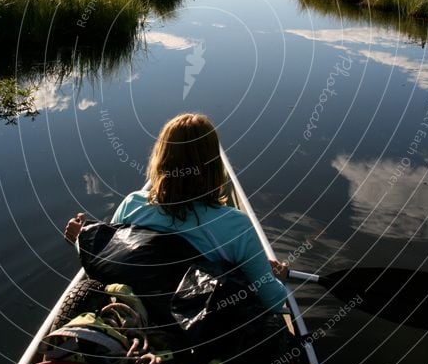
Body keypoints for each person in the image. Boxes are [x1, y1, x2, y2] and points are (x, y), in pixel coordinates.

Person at [64, 112, 289, 312]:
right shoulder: (236, 227)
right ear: (212, 167)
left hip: (127, 318)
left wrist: (82, 238)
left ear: (161, 160)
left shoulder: (132, 205)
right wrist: (276, 279)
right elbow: (274, 302)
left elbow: (110, 261)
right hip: (193, 336)